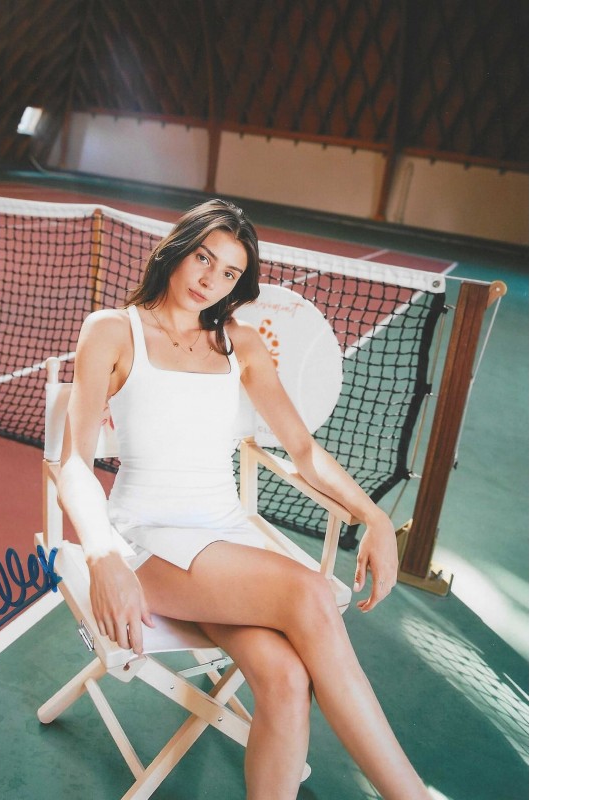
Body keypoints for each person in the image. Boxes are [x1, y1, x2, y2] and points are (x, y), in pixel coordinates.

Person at [57, 198, 432, 800]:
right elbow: (74, 462)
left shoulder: (242, 344)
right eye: (204, 258)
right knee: (311, 592)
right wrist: (101, 555)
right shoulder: (112, 330)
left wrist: (374, 518)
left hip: (225, 539)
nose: (210, 279)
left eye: (229, 272)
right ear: (179, 249)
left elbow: (303, 450)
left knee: (285, 679)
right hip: (147, 540)